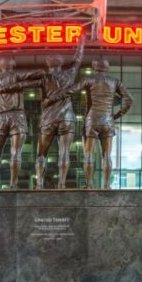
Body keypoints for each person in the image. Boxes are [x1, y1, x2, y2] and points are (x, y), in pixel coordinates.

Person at [47, 59, 133, 189]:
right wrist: (117, 115)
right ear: (107, 68)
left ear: (94, 67)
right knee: (107, 155)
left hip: (92, 119)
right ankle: (106, 185)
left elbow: (71, 90)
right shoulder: (115, 82)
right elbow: (129, 99)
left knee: (88, 154)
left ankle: (89, 184)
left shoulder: (89, 79)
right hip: (108, 120)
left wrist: (52, 98)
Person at [24, 38, 85, 189]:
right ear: (61, 63)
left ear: (48, 64)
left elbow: (25, 83)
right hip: (67, 118)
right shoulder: (70, 74)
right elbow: (78, 59)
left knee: (41, 153)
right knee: (64, 152)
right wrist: (81, 42)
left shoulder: (44, 77)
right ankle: (62, 184)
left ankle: (38, 184)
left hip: (49, 118)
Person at [0, 58, 42, 189]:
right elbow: (37, 73)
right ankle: (13, 184)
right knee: (16, 153)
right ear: (12, 65)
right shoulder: (17, 75)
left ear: (0, 67)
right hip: (17, 116)